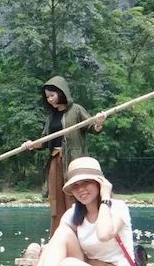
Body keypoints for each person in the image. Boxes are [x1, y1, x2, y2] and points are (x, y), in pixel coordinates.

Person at [14, 157, 133, 266]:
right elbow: (55, 243)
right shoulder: (74, 213)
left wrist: (105, 198)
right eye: (75, 185)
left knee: (67, 265)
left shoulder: (118, 208)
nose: (81, 189)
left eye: (86, 182)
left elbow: (103, 235)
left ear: (100, 183)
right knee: (63, 232)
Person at [22, 76, 106, 236]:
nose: (50, 99)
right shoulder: (51, 116)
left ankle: (81, 235)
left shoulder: (76, 110)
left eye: (52, 95)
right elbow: (44, 141)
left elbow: (92, 128)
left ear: (61, 93)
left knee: (74, 197)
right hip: (55, 161)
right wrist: (30, 144)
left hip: (74, 162)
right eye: (47, 97)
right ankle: (58, 237)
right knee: (56, 199)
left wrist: (99, 122)